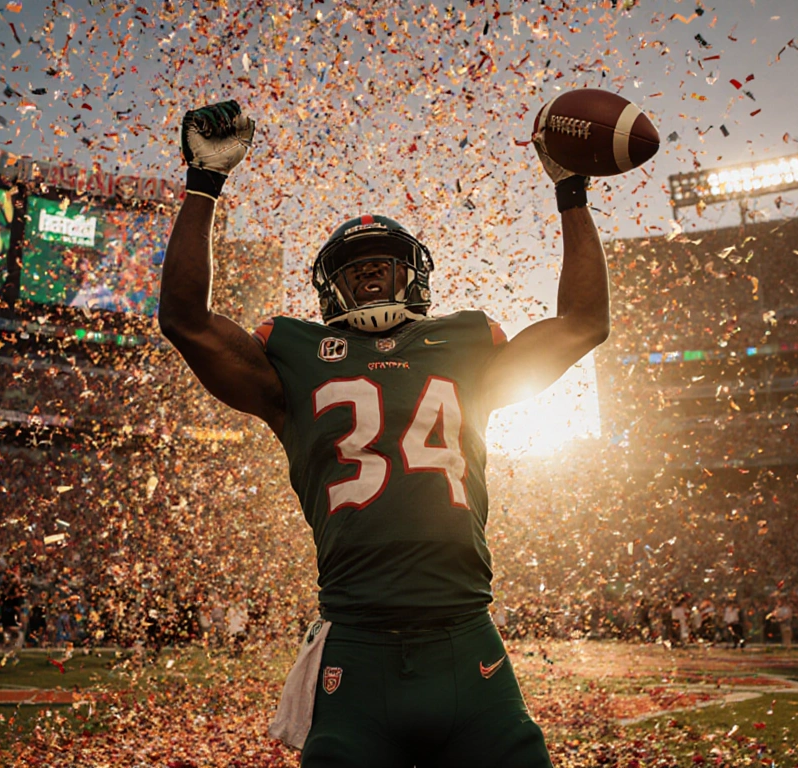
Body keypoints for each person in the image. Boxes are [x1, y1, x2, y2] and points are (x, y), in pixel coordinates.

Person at [157, 99, 609, 767]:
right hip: (357, 654)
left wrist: (571, 191)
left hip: (466, 640)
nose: (369, 271)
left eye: (383, 261)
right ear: (327, 287)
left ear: (415, 273)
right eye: (352, 265)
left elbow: (583, 324)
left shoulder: (464, 343)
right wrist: (204, 183)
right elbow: (186, 319)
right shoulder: (295, 357)